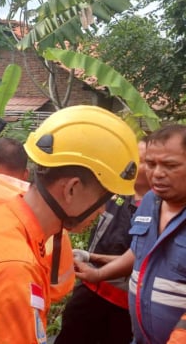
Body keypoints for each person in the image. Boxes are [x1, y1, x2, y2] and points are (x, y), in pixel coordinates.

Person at [0, 105, 139, 343]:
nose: (101, 211)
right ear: (71, 189)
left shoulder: (1, 219)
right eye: (104, 199)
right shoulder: (13, 267)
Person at [75, 124, 186, 344]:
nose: (156, 173)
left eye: (170, 165)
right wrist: (98, 273)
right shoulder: (149, 202)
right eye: (151, 164)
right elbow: (139, 251)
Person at [55, 138, 150, 344]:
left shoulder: (157, 209)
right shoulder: (116, 194)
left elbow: (139, 256)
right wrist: (88, 257)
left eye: (142, 161)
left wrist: (97, 268)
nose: (132, 165)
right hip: (89, 288)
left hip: (122, 302)